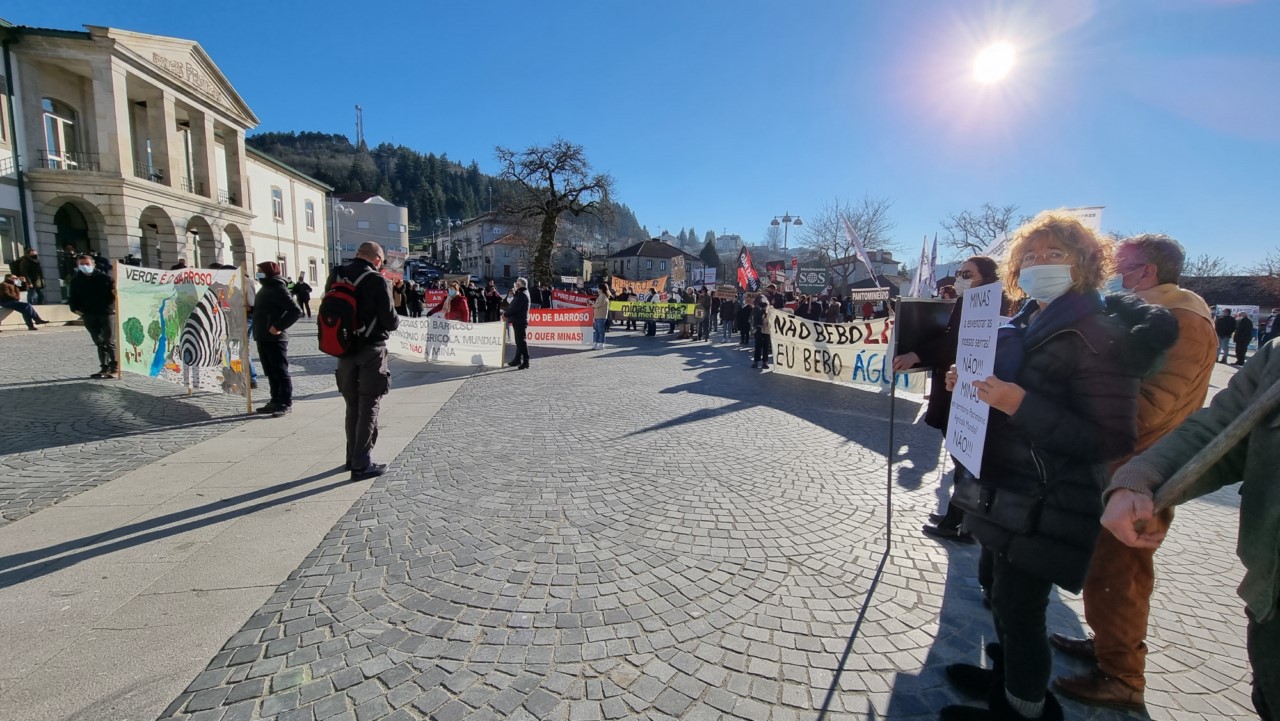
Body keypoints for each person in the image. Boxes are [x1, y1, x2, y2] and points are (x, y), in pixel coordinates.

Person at [938, 212, 1177, 721]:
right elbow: (1001, 392)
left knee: (1022, 610)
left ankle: (1024, 707)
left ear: (1086, 264)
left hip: (1053, 498)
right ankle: (1005, 679)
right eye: (1029, 257)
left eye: (1054, 256)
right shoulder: (1027, 318)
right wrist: (970, 385)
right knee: (1000, 596)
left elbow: (1110, 437)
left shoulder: (1101, 334)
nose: (1038, 265)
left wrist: (1019, 403)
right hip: (1011, 488)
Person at [1047, 234, 1218, 712]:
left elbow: (1155, 406)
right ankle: (1107, 645)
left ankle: (1122, 677)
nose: (1112, 271)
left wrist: (1082, 420)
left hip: (1140, 471)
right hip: (1121, 463)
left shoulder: (1184, 319)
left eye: (1121, 264)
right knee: (1104, 570)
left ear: (1147, 271)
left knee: (1120, 573)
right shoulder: (1149, 311)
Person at [1100, 339, 1280, 721]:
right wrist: (1137, 478)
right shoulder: (1276, 356)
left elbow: (1152, 406)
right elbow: (1219, 430)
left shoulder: (1187, 321)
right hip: (1272, 606)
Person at [892, 255, 1007, 543]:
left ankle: (960, 523)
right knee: (961, 457)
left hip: (968, 392)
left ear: (987, 276)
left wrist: (916, 354)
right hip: (956, 386)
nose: (960, 277)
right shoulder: (971, 298)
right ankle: (958, 515)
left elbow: (954, 341)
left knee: (966, 461)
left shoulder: (990, 302)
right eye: (959, 272)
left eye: (967, 272)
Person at [326, 242, 399, 480]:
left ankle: (351, 457)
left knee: (352, 405)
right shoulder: (376, 280)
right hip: (370, 350)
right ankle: (362, 463)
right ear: (378, 259)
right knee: (369, 406)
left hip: (343, 349)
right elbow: (390, 321)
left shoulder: (337, 273)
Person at [251, 262, 302, 417]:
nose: (258, 273)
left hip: (275, 338)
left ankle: (285, 402)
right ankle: (275, 400)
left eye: (260, 271)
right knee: (270, 371)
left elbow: (295, 310)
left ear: (268, 272)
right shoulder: (265, 287)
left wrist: (278, 326)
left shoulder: (278, 287)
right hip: (262, 336)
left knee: (280, 371)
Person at [68, 253, 119, 378]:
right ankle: (104, 368)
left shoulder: (105, 278)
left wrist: (114, 297)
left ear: (93, 264)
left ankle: (115, 368)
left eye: (87, 264)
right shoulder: (75, 280)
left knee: (109, 341)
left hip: (106, 313)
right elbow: (72, 298)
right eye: (82, 264)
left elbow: (114, 295)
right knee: (98, 341)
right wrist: (76, 310)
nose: (85, 266)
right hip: (88, 314)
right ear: (78, 266)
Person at [504, 277, 530, 369]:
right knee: (519, 342)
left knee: (521, 342)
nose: (515, 286)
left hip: (520, 320)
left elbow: (513, 307)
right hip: (519, 320)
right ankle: (517, 359)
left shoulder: (522, 295)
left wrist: (505, 314)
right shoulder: (522, 293)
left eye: (516, 284)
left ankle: (526, 361)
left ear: (519, 285)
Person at [751, 295, 771, 369]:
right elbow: (755, 318)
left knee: (766, 345)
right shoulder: (756, 308)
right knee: (758, 345)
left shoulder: (769, 308)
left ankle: (764, 362)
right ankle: (756, 361)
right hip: (758, 328)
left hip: (766, 329)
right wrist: (763, 312)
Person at [592, 282, 612, 349]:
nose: (597, 290)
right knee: (597, 331)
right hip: (597, 315)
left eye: (598, 288)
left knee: (601, 331)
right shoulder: (600, 295)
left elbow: (600, 304)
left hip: (601, 315)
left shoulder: (603, 295)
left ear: (601, 289)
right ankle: (596, 343)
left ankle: (601, 344)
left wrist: (593, 306)